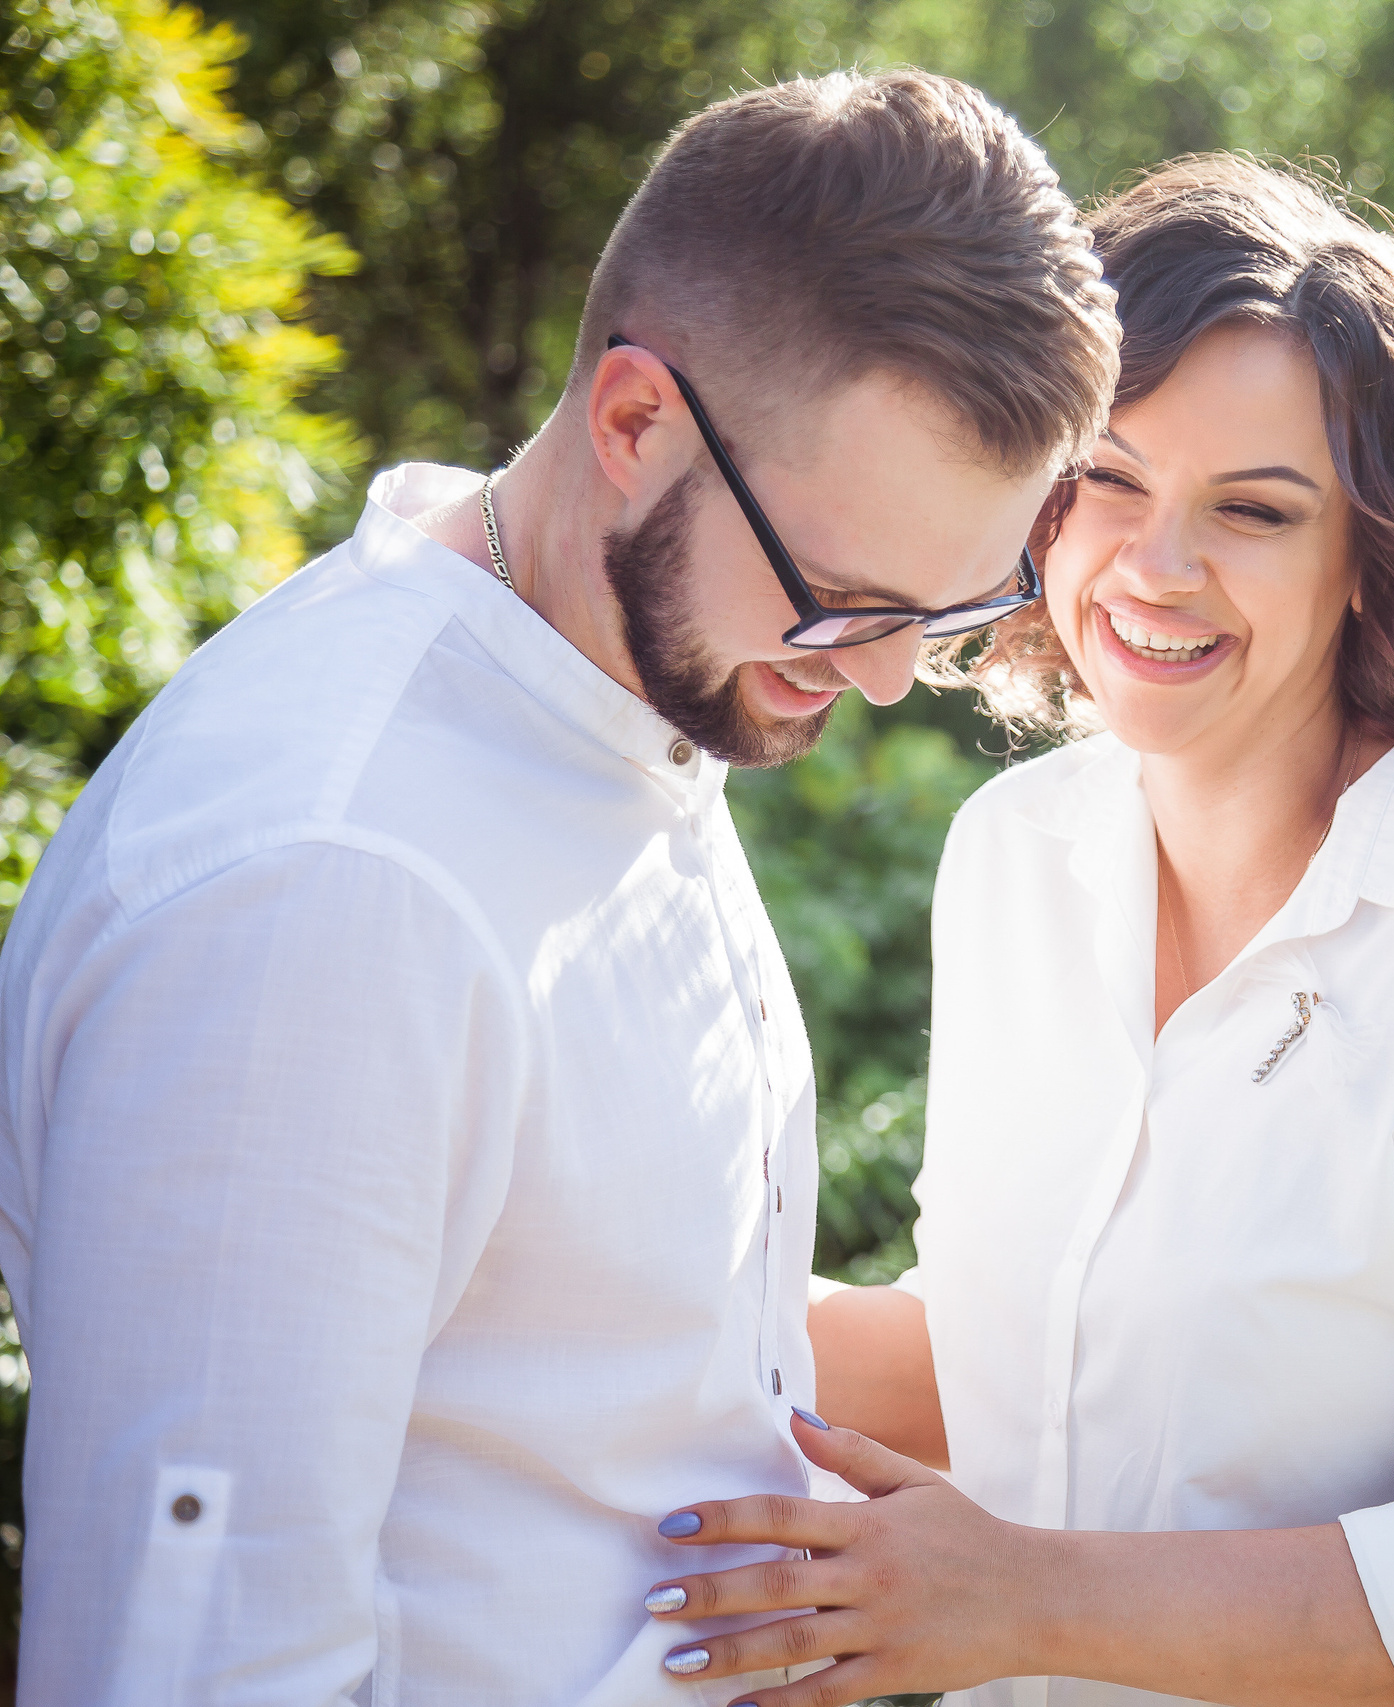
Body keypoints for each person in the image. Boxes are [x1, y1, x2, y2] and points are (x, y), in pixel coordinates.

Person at [0, 71, 1115, 1704]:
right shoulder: (323, 895)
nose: (882, 684)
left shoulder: (610, 685)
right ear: (634, 421)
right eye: (844, 603)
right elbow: (190, 1664)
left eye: (951, 613)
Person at [642, 156, 1394, 1707]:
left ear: (1375, 555)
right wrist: (577, 1297)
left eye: (1254, 510)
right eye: (1109, 481)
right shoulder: (1014, 862)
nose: (1155, 569)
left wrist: (1021, 1602)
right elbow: (1008, 1360)